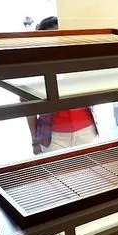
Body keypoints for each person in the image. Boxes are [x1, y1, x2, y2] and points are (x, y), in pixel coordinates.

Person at [24, 16, 99, 154]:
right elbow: (29, 109)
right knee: (57, 168)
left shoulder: (79, 62)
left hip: (87, 130)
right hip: (52, 136)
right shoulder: (35, 68)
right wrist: (34, 141)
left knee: (89, 166)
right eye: (51, 37)